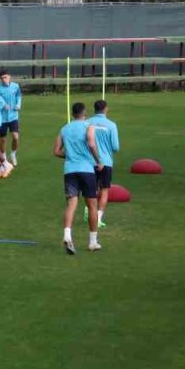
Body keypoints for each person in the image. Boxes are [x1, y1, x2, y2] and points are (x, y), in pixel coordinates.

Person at [54, 102, 101, 255]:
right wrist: (98, 161)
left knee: (71, 204)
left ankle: (67, 235)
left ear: (73, 114)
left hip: (70, 170)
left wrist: (70, 155)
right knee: (92, 205)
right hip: (86, 170)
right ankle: (93, 241)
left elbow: (56, 151)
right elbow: (91, 144)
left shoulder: (64, 129)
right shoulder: (89, 126)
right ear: (85, 113)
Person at [88, 100, 120, 228]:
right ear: (106, 109)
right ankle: (98, 217)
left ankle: (89, 211)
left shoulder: (87, 123)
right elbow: (115, 147)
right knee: (105, 190)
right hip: (106, 162)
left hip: (89, 162)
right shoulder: (111, 125)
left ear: (94, 109)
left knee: (92, 189)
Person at [0, 72, 22, 165]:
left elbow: (18, 96)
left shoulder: (16, 86)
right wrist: (3, 105)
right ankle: (4, 157)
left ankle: (13, 154)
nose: (4, 79)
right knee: (3, 139)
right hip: (2, 118)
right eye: (2, 78)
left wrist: (18, 104)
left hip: (13, 116)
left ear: (9, 77)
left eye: (5, 77)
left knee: (15, 137)